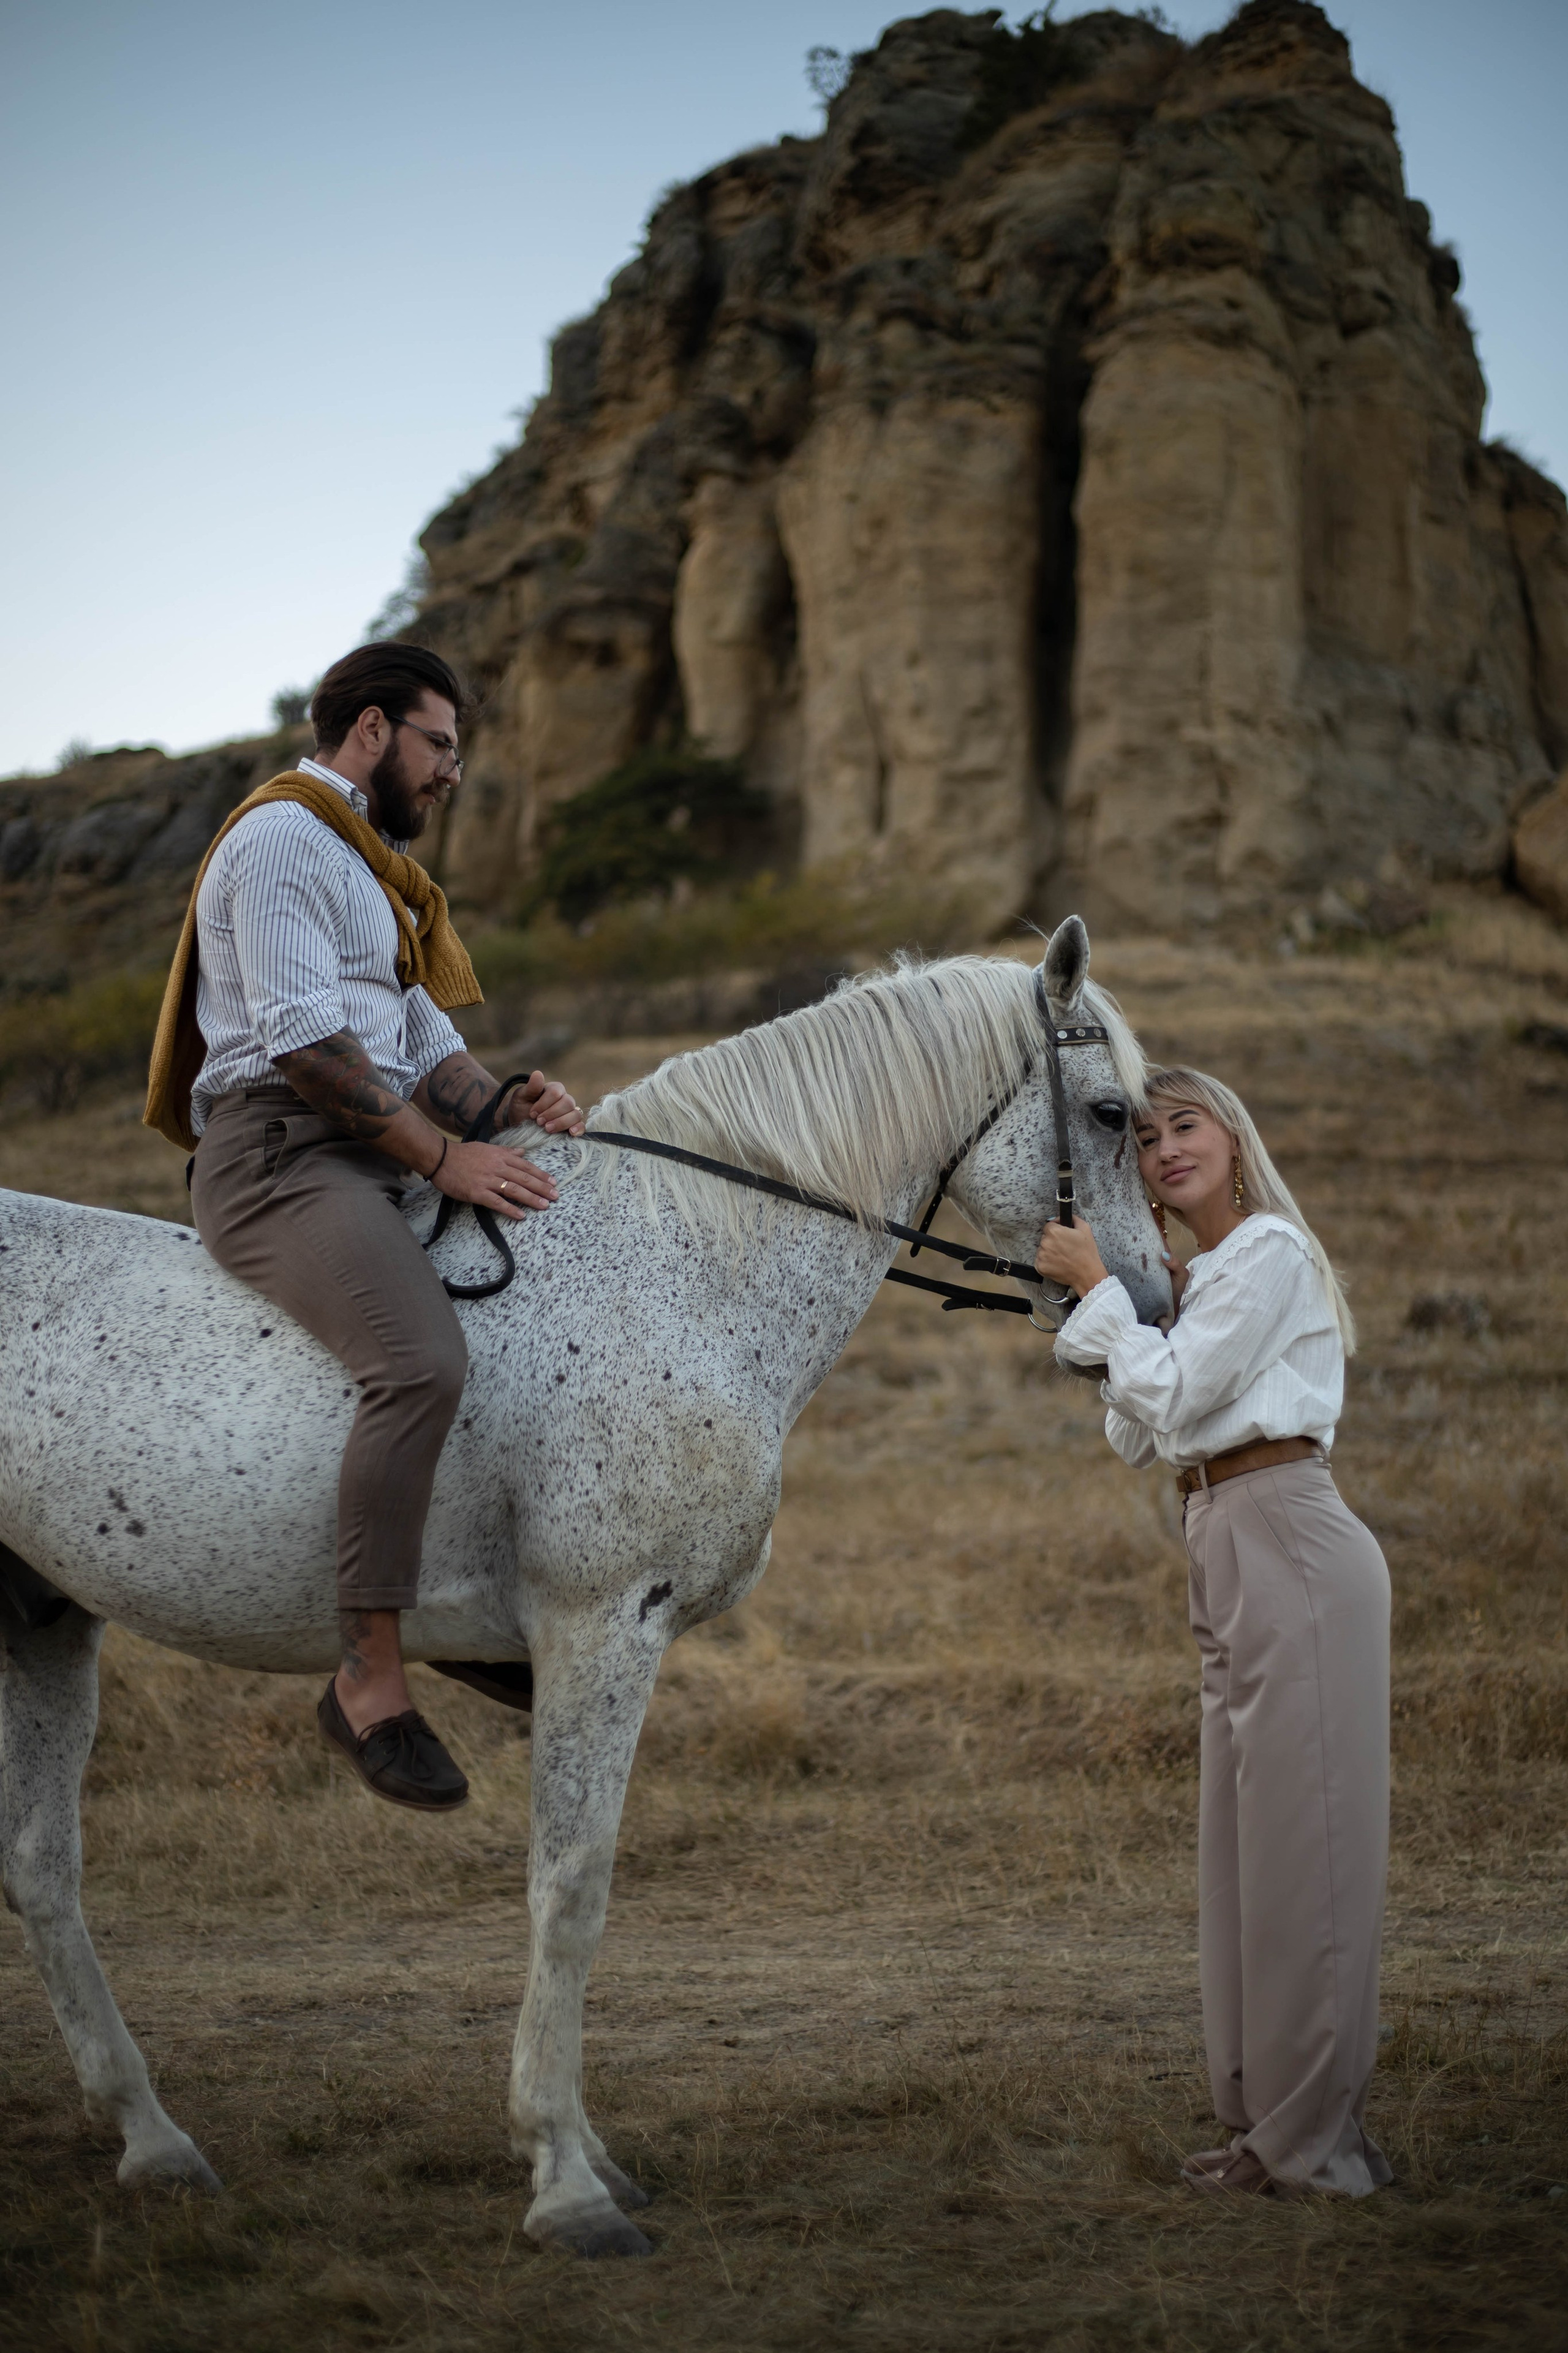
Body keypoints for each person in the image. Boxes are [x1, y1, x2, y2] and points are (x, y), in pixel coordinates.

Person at [145, 641, 585, 1814]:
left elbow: (421, 1044)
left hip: (362, 1145)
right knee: (420, 1360)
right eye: (442, 745)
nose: (452, 773)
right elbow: (304, 1042)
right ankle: (367, 1675)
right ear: (376, 730)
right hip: (282, 1155)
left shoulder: (367, 864)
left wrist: (509, 1108)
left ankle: (458, 1607)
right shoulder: (286, 838)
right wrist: (449, 1156)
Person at [1034, 1067, 1391, 2199]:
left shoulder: (1272, 1252)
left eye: (1184, 1125)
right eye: (1142, 1139)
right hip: (1219, 1531)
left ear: (1234, 1136)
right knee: (1244, 1860)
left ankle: (1317, 2150)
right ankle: (1260, 2129)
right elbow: (1144, 1437)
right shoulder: (1202, 1278)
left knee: (1310, 1861)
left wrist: (1103, 1294)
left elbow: (1177, 1402)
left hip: (1290, 1534)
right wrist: (1130, 1307)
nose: (1162, 1150)